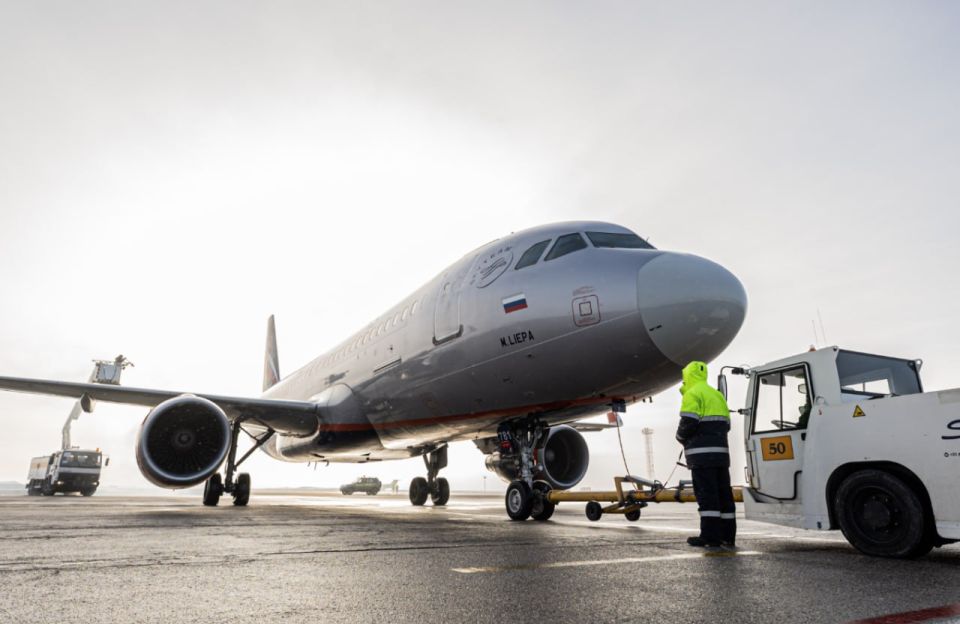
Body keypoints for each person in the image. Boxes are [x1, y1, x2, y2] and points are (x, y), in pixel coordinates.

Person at [675, 361, 736, 548]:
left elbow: (689, 422)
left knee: (707, 496)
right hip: (721, 456)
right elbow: (727, 424)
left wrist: (680, 436)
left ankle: (710, 537)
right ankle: (728, 536)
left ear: (687, 376)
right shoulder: (717, 395)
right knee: (724, 495)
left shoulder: (692, 394)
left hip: (702, 457)